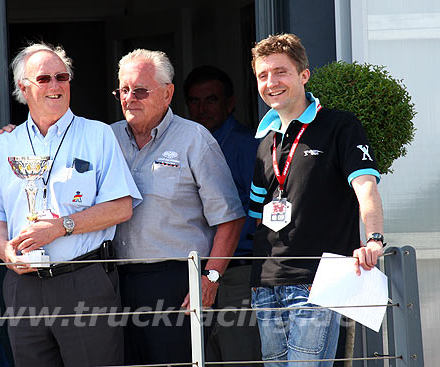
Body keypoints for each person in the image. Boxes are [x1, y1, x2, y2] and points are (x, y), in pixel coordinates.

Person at [0, 42, 141, 367]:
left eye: (62, 77)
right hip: (22, 287)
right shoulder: (2, 146)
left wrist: (60, 227)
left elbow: (121, 207)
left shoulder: (98, 135)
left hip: (83, 279)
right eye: (44, 79)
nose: (56, 86)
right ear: (22, 87)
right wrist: (5, 253)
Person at [248, 33, 385, 367]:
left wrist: (375, 239)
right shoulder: (265, 141)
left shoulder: (340, 126)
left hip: (317, 281)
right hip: (265, 285)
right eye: (263, 75)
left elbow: (365, 186)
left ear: (303, 75)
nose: (271, 82)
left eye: (280, 72)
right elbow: (257, 216)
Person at [110, 49, 246, 365]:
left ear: (167, 93)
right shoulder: (106, 137)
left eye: (140, 90)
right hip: (116, 283)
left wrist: (210, 277)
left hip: (176, 283)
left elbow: (230, 218)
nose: (130, 98)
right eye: (124, 90)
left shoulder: (194, 138)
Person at [184, 65, 261, 365]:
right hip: (193, 274)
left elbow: (257, 210)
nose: (202, 108)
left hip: (238, 272)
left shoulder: (247, 144)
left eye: (211, 100)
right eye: (194, 101)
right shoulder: (186, 141)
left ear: (230, 103)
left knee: (239, 356)